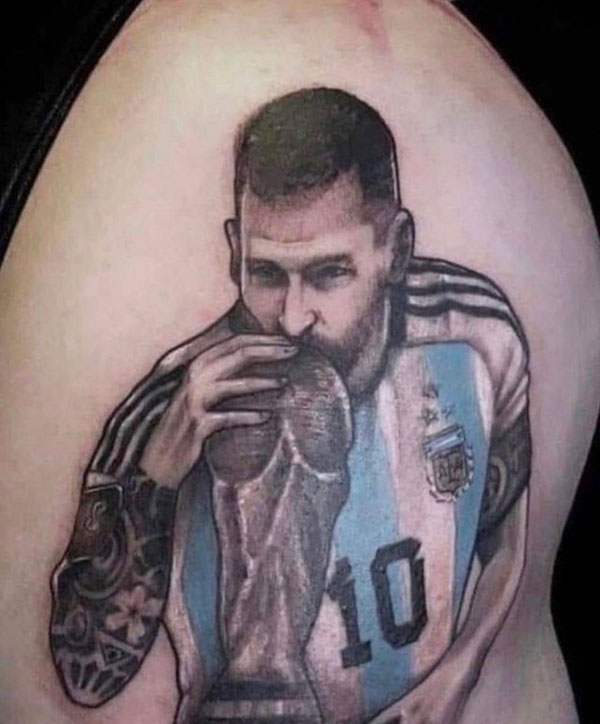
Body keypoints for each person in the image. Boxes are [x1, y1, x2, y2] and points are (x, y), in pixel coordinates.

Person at [49, 87, 531, 724]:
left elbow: (506, 538)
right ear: (235, 250)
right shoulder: (169, 407)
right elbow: (85, 676)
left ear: (397, 249)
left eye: (329, 273)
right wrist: (156, 477)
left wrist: (458, 672)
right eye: (267, 274)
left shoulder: (476, 336)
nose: (293, 317)